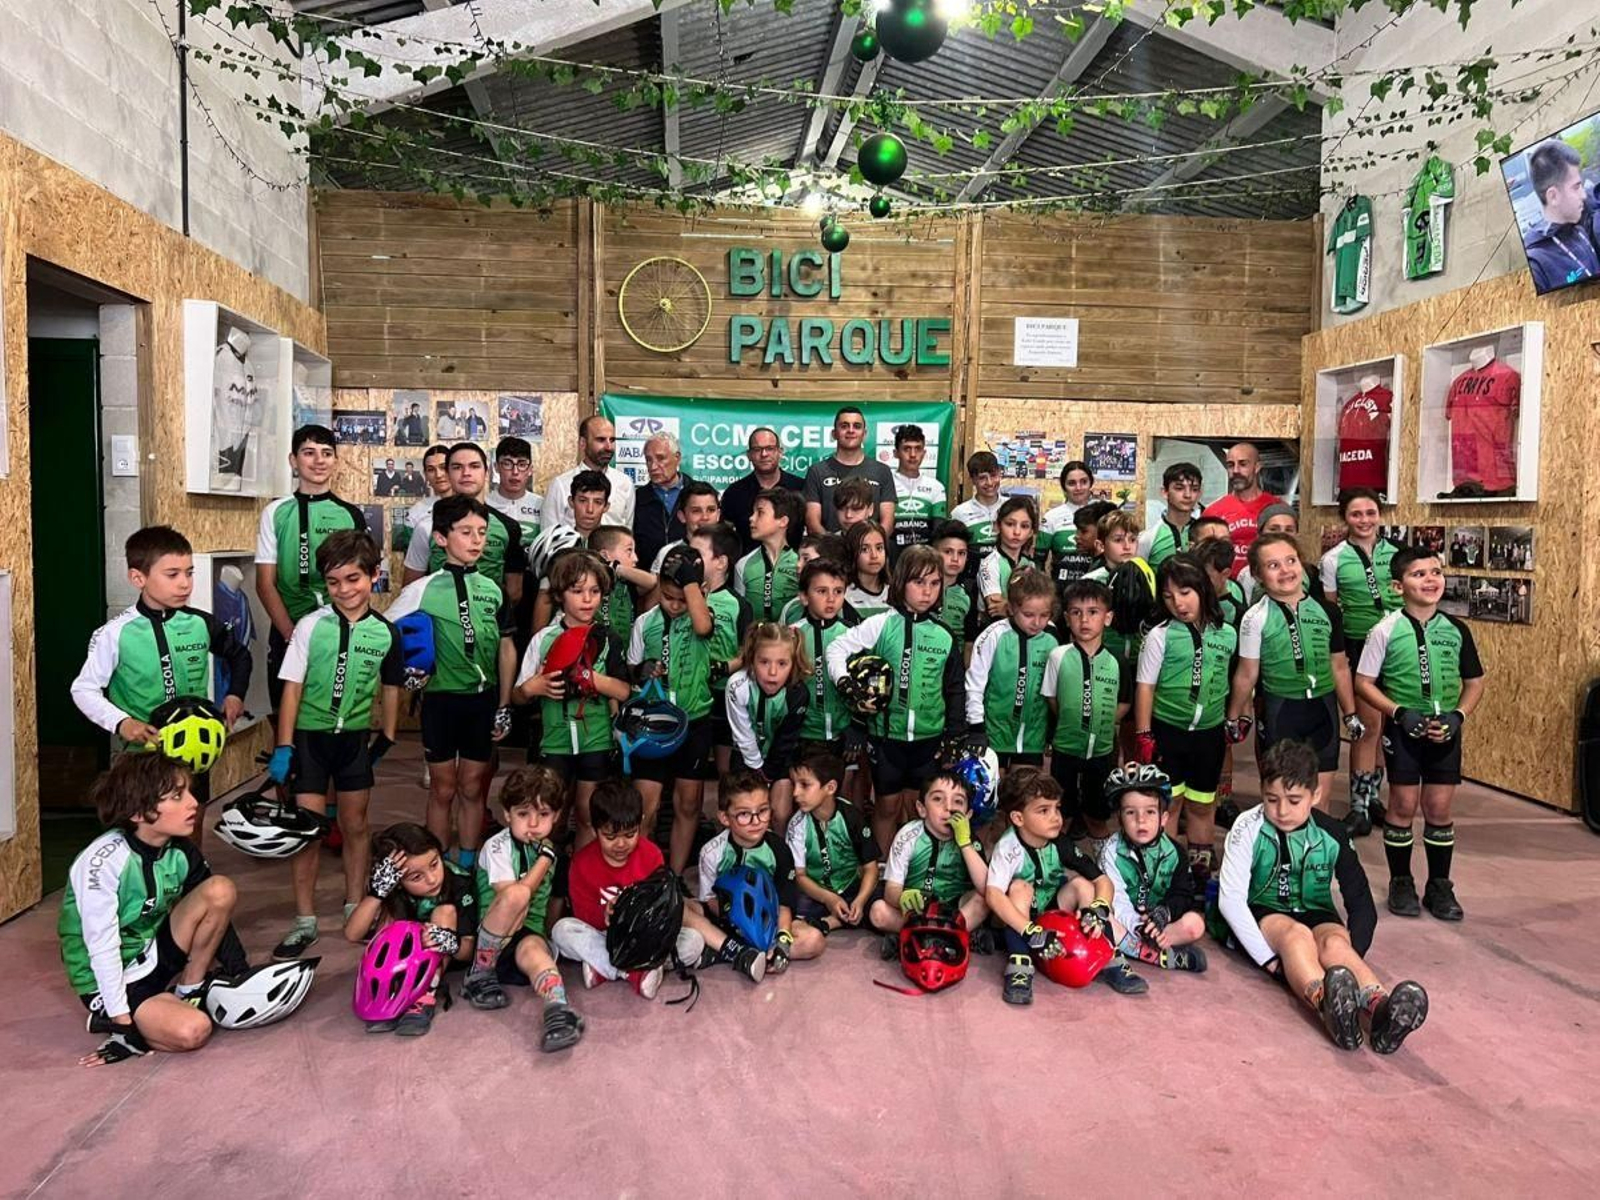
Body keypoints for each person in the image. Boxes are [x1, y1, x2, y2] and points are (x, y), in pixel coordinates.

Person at [1219, 740, 1427, 1054]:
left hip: (1318, 911)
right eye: (1272, 799)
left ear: (1315, 795)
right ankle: (1326, 1004)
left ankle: (1381, 1010)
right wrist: (1269, 961)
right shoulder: (1246, 826)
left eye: (1293, 800)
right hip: (1267, 910)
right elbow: (1231, 900)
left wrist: (1351, 956)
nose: (1282, 810)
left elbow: (1359, 899)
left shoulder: (1332, 832)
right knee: (1297, 936)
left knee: (1334, 944)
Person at [267, 531, 405, 961]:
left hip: (354, 741)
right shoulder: (311, 626)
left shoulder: (386, 633)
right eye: (333, 582)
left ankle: (353, 906)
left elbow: (392, 686)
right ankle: (304, 920)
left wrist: (388, 736)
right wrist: (284, 746)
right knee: (307, 831)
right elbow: (291, 689)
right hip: (309, 740)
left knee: (356, 825)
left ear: (374, 577)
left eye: (353, 579)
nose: (344, 590)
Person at [59, 753, 239, 1065]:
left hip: (152, 952)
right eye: (177, 797)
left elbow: (217, 915)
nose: (193, 803)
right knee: (193, 1031)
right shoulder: (102, 861)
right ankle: (108, 1017)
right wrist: (121, 1024)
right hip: (112, 976)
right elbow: (101, 946)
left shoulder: (181, 850)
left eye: (189, 792)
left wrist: (241, 973)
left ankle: (189, 990)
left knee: (219, 889)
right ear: (138, 812)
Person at [71, 526, 250, 814]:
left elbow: (240, 655)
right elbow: (83, 689)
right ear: (137, 577)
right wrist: (122, 723)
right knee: (147, 831)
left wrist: (235, 695)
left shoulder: (201, 623)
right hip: (142, 758)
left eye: (189, 573)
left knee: (190, 829)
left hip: (193, 755)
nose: (185, 584)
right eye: (172, 575)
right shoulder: (115, 633)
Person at [385, 495, 518, 870]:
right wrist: (408, 669)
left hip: (483, 701)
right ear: (441, 538)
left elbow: (506, 649)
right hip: (441, 702)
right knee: (443, 788)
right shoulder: (422, 589)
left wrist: (504, 704)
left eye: (481, 533)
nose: (476, 540)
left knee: (474, 787)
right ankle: (436, 866)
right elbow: (385, 634)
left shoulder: (493, 590)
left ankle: (467, 865)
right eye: (465, 532)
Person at [1355, 547, 1485, 922]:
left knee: (1439, 808)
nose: (1431, 580)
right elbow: (1363, 682)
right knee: (1402, 806)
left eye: (1436, 572)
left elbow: (1475, 682)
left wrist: (1459, 716)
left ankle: (1440, 885)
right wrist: (1398, 712)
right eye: (1419, 574)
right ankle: (1401, 881)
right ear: (1398, 586)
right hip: (1404, 730)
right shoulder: (1385, 629)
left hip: (1446, 730)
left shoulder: (1457, 630)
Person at [827, 546, 966, 853]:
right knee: (887, 807)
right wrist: (846, 684)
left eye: (934, 583)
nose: (927, 591)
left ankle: (914, 867)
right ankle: (883, 869)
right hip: (886, 738)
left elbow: (955, 689)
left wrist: (955, 735)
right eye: (919, 582)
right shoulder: (881, 624)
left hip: (930, 738)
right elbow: (836, 649)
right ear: (901, 582)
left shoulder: (944, 635)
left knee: (921, 808)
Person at [986, 768, 1146, 1003]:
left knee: (1082, 885)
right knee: (1020, 887)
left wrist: (1100, 908)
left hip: (1050, 908)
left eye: (1057, 808)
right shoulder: (1008, 847)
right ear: (1018, 818)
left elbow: (1101, 880)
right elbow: (993, 894)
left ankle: (1110, 956)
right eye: (1044, 810)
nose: (1056, 817)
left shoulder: (1060, 842)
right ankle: (1020, 964)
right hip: (1017, 919)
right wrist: (1030, 931)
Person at [1228, 533, 1361, 814]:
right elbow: (1246, 673)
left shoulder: (1329, 612)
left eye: (1291, 560)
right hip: (1281, 711)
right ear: (1258, 575)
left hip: (1323, 711)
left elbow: (1339, 666)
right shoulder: (1254, 617)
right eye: (1273, 565)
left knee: (1319, 801)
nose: (1286, 570)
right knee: (1282, 800)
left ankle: (1313, 857)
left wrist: (1350, 713)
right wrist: (1234, 716)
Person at [551, 779, 710, 999]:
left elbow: (662, 904)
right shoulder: (581, 862)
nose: (620, 845)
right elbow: (582, 915)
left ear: (641, 823)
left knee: (693, 941)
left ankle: (604, 968)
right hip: (604, 936)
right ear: (595, 830)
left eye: (629, 835)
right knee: (562, 930)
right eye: (610, 837)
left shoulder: (652, 855)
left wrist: (647, 920)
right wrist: (606, 913)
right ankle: (634, 973)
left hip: (646, 938)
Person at [461, 767, 584, 1050]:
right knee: (517, 894)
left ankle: (558, 1010)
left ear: (556, 816)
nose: (533, 824)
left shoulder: (553, 852)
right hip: (492, 934)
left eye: (543, 815)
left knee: (535, 951)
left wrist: (545, 939)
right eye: (523, 813)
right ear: (507, 814)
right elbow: (516, 898)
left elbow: (554, 901)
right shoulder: (497, 847)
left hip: (525, 937)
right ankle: (479, 973)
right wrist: (544, 860)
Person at [515, 551, 632, 847]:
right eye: (577, 591)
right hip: (554, 741)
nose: (587, 599)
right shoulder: (544, 639)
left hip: (597, 740)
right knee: (550, 815)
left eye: (594, 591)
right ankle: (549, 883)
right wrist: (534, 687)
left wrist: (593, 680)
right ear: (559, 595)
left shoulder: (609, 638)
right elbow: (518, 695)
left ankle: (580, 883)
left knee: (587, 815)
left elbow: (624, 691)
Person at [1134, 555, 1237, 883]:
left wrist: (1238, 716)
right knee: (1171, 803)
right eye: (1167, 596)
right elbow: (1145, 687)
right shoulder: (1159, 635)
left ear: (1202, 589)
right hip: (1169, 731)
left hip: (1209, 733)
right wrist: (1144, 733)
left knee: (1203, 803)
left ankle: (1199, 868)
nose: (1177, 603)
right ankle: (1168, 869)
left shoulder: (1227, 633)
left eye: (1185, 592)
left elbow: (1236, 682)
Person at [255, 425, 367, 712]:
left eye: (326, 453)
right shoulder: (276, 512)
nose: (319, 460)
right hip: (286, 630)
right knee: (286, 715)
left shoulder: (350, 514)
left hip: (336, 629)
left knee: (333, 713)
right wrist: (291, 635)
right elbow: (265, 583)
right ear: (293, 460)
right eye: (309, 453)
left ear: (335, 461)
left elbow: (360, 581)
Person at [628, 545, 717, 872]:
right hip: (653, 724)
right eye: (668, 597)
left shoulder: (702, 615)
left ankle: (674, 874)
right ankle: (645, 873)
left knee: (688, 804)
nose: (676, 605)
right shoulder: (645, 622)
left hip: (695, 722)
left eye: (683, 598)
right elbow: (631, 670)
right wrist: (643, 669)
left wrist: (691, 582)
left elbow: (703, 627)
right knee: (645, 809)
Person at [1321, 488, 1402, 836]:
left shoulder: (1397, 555)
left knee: (1387, 727)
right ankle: (1358, 806)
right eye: (1356, 514)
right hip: (1357, 644)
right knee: (1366, 726)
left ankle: (1373, 798)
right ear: (1345, 518)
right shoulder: (1334, 559)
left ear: (1380, 515)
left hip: (1397, 645)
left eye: (1370, 513)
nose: (1365, 520)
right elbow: (1330, 609)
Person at [343, 822, 476, 1035]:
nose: (432, 879)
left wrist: (448, 940)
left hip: (448, 955)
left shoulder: (460, 882)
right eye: (416, 877)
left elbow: (468, 951)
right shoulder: (391, 884)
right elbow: (352, 933)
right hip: (411, 956)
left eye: (435, 864)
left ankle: (424, 997)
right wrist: (377, 892)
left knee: (445, 911)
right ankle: (388, 988)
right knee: (391, 921)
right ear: (398, 880)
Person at [697, 769, 828, 974]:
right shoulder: (711, 853)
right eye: (744, 814)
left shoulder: (779, 848)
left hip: (769, 922)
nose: (756, 821)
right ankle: (740, 949)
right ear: (724, 817)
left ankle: (738, 953)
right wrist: (739, 920)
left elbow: (784, 903)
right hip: (727, 924)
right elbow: (709, 899)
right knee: (690, 913)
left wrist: (783, 941)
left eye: (763, 811)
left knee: (814, 941)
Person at [1042, 579, 1131, 851]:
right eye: (1077, 612)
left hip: (1103, 751)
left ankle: (1105, 868)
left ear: (1108, 617)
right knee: (1060, 813)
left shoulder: (1118, 660)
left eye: (1093, 612)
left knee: (1098, 816)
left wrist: (1101, 725)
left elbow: (1124, 702)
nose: (1085, 620)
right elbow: (1052, 698)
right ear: (1067, 618)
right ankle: (1054, 866)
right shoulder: (1057, 656)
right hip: (1066, 748)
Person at [1099, 763, 1208, 975]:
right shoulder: (1110, 852)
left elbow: (1183, 895)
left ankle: (1137, 946)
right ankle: (1156, 955)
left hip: (1158, 925)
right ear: (1120, 818)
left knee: (1195, 925)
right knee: (1102, 920)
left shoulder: (1175, 851)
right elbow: (1117, 900)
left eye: (1150, 811)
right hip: (1125, 921)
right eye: (1131, 813)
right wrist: (1139, 927)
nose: (1141, 820)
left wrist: (1164, 913)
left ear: (1164, 819)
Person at [869, 769, 989, 941]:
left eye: (958, 801)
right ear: (922, 809)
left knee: (983, 901)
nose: (949, 808)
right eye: (938, 799)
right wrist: (902, 897)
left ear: (968, 815)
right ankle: (949, 937)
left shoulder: (970, 840)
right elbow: (891, 890)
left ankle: (921, 936)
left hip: (955, 910)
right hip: (916, 908)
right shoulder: (908, 835)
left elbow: (987, 889)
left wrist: (965, 843)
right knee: (879, 912)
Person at [403, 443, 526, 605]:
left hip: (491, 623)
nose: (466, 473)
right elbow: (410, 589)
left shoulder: (508, 527)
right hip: (441, 622)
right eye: (457, 467)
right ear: (448, 473)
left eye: (474, 466)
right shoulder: (427, 526)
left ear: (486, 472)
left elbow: (514, 592)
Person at [965, 569, 1058, 769]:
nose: (1037, 622)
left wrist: (1052, 732)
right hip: (993, 735)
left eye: (1044, 615)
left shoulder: (1052, 642)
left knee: (1024, 797)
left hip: (1033, 740)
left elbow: (1053, 692)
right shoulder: (993, 635)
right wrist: (976, 727)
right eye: (1028, 615)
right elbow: (974, 684)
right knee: (994, 797)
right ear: (1012, 608)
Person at [785, 750, 881, 933]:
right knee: (791, 905)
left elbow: (871, 868)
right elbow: (800, 876)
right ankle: (837, 919)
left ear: (830, 788)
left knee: (879, 903)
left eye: (804, 785)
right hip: (817, 892)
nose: (795, 793)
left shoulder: (852, 817)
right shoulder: (796, 825)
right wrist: (829, 898)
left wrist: (860, 901)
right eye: (793, 785)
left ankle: (830, 922)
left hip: (851, 886)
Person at [726, 622, 810, 825]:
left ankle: (780, 854)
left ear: (793, 664)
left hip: (778, 756)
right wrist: (757, 769)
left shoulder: (798, 693)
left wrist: (769, 772)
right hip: (746, 755)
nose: (772, 672)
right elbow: (743, 733)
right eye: (764, 662)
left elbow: (786, 740)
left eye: (782, 664)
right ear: (752, 660)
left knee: (780, 814)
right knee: (744, 814)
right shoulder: (737, 686)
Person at [692, 523, 753, 779]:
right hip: (692, 696)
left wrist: (723, 668)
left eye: (697, 555)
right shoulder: (682, 599)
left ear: (720, 562)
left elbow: (747, 653)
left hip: (724, 696)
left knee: (725, 769)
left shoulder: (738, 605)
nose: (690, 560)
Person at [531, 469, 615, 631]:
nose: (589, 510)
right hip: (565, 635)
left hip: (608, 635)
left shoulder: (616, 543)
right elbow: (545, 598)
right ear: (571, 502)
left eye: (597, 502)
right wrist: (537, 646)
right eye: (583, 500)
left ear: (606, 506)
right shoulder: (559, 544)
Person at [790, 558, 860, 750]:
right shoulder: (791, 634)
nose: (831, 599)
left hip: (843, 734)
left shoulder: (853, 635)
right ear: (804, 597)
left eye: (838, 591)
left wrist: (856, 728)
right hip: (801, 736)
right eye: (822, 591)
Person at [1521, 139, 1600, 293]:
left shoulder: (1578, 227)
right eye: (1576, 187)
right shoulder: (1537, 267)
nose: (1583, 195)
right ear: (1553, 197)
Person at [802, 406, 897, 534]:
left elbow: (887, 523)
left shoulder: (882, 471)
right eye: (844, 426)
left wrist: (868, 545)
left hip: (869, 551)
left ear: (864, 434)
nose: (851, 430)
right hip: (830, 550)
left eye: (857, 426)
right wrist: (835, 547)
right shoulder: (817, 471)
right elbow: (812, 523)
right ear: (834, 433)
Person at [1201, 441, 1282, 579]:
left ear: (1257, 467)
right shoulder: (1212, 512)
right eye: (1231, 465)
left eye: (1243, 464)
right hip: (1227, 588)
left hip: (1267, 585)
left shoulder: (1277, 508)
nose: (1236, 471)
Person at [542, 415, 635, 530]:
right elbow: (549, 534)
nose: (609, 447)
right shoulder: (561, 484)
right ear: (582, 443)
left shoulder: (625, 483)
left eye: (612, 440)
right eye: (601, 440)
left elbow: (628, 531)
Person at [722, 426, 804, 551]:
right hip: (746, 568)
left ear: (780, 452)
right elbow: (726, 538)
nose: (764, 454)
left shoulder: (800, 488)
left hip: (793, 566)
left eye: (770, 448)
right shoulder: (734, 493)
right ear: (749, 455)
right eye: (757, 449)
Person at [733, 488, 802, 622]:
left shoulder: (800, 563)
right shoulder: (743, 564)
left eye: (760, 513)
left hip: (793, 639)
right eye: (753, 512)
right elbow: (740, 615)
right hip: (755, 640)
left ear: (783, 521)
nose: (751, 518)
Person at [631, 432, 694, 572]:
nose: (653, 466)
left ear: (677, 458)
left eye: (660, 458)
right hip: (646, 583)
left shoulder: (696, 494)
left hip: (690, 580)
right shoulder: (637, 498)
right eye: (648, 460)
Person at [976, 496, 1038, 623]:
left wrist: (1008, 607)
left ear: (1031, 532)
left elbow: (1038, 607)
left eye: (1024, 526)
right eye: (1010, 524)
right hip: (993, 630)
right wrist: (1028, 610)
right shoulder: (989, 563)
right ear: (998, 526)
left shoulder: (1030, 565)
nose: (1017, 532)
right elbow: (995, 608)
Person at [888, 424, 946, 559]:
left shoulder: (936, 487)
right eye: (906, 449)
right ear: (896, 453)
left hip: (925, 558)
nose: (913, 455)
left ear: (924, 453)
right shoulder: (887, 484)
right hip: (893, 557)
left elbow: (938, 533)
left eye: (918, 449)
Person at [647, 479, 723, 578]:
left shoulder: (728, 550)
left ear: (718, 514)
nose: (705, 517)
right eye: (696, 511)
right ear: (682, 516)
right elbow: (655, 590)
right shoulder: (667, 552)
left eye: (711, 510)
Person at [590, 525, 651, 648]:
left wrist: (617, 568)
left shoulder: (628, 582)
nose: (635, 558)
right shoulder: (590, 582)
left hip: (624, 654)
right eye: (629, 550)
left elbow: (652, 582)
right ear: (605, 555)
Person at [1137, 462, 1202, 570]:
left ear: (1199, 493)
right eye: (1179, 488)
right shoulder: (1148, 538)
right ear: (1165, 492)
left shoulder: (1204, 533)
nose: (1188, 495)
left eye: (1194, 489)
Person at [932, 519, 978, 662]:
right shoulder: (919, 588)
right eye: (948, 552)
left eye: (961, 553)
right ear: (933, 552)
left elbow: (969, 643)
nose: (955, 559)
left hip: (954, 667)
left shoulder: (968, 592)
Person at [1039, 460, 1095, 576]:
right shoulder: (1051, 517)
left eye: (1083, 482)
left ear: (1091, 483)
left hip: (1096, 590)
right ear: (1064, 487)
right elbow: (1038, 561)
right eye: (1072, 483)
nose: (1078, 488)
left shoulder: (1102, 514)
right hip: (1059, 591)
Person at [488, 436, 543, 545]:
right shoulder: (485, 504)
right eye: (507, 464)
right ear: (496, 467)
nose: (515, 472)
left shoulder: (542, 505)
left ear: (530, 469)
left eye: (522, 464)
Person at [949, 450, 1006, 552]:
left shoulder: (1011, 506)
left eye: (993, 475)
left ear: (999, 473)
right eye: (982, 478)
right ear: (972, 480)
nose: (989, 483)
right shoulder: (959, 513)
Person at [405, 444, 453, 549]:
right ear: (425, 475)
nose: (438, 475)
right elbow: (412, 560)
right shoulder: (416, 512)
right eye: (431, 470)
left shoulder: (471, 506)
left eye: (443, 467)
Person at [844, 519, 891, 620]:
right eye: (865, 549)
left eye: (879, 548)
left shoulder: (895, 594)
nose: (874, 556)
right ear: (852, 552)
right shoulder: (843, 595)